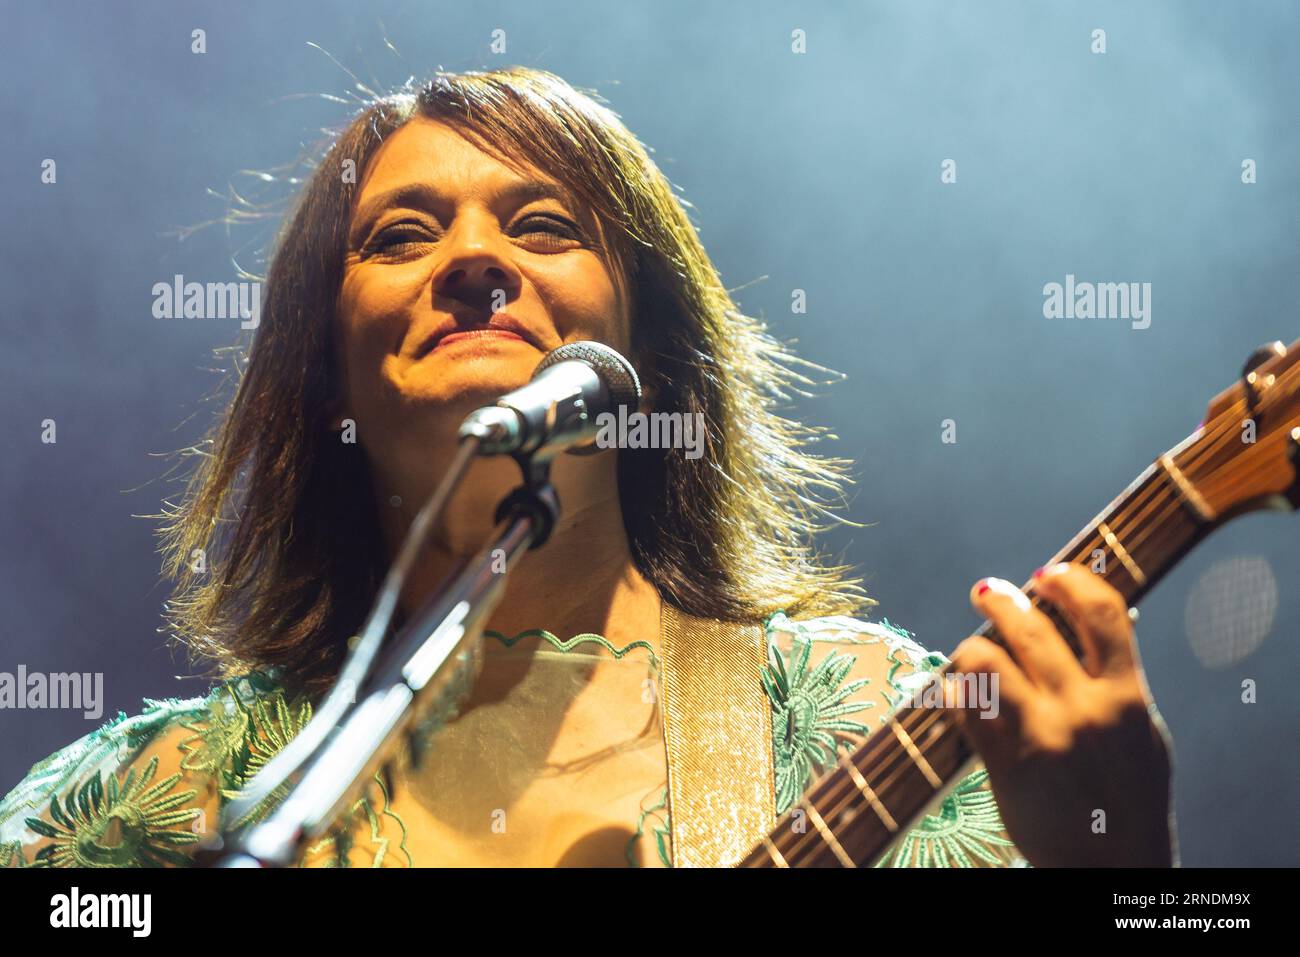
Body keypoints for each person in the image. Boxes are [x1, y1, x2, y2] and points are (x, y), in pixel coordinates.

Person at [0, 67, 1175, 868]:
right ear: (318, 373)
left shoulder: (887, 729)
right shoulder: (160, 799)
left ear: (649, 350)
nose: (472, 259)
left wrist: (1121, 868)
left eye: (544, 225)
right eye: (401, 235)